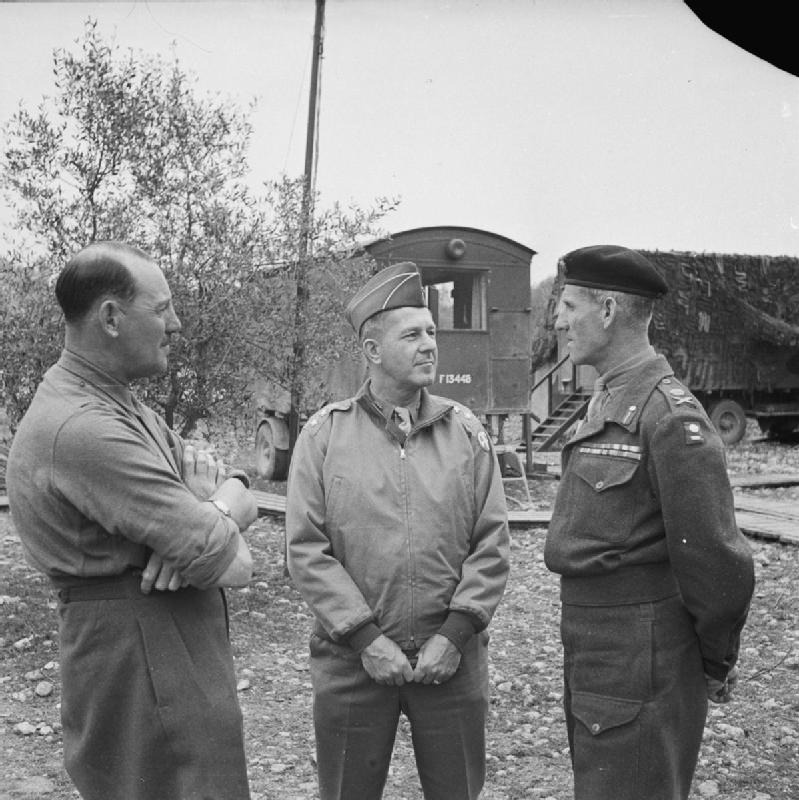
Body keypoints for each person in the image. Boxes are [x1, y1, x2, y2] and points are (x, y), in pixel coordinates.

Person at [6, 241, 258, 800]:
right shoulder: (84, 427)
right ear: (111, 319)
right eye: (162, 307)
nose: (176, 324)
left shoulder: (117, 403)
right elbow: (236, 564)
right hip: (145, 661)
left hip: (163, 650)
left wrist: (221, 502)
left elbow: (240, 488)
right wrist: (218, 515)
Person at [285, 261, 510, 800]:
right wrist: (366, 640)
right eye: (412, 335)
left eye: (432, 332)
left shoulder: (466, 432)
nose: (430, 345)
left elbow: (493, 541)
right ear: (371, 350)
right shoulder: (323, 436)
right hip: (353, 667)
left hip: (449, 664)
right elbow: (306, 550)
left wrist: (455, 636)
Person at [545, 244, 755, 800]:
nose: (559, 320)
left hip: (640, 657)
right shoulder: (609, 399)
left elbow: (715, 558)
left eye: (568, 305)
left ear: (608, 310)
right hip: (600, 647)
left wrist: (713, 659)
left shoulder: (668, 416)